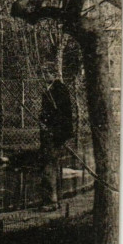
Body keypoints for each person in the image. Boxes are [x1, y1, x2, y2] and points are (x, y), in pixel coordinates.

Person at [38, 79, 74, 211]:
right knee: (53, 164)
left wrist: (47, 124)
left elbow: (61, 114)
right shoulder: (52, 88)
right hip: (53, 133)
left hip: (53, 133)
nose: (44, 73)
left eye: (47, 70)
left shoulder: (58, 90)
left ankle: (50, 201)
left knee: (48, 165)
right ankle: (57, 198)